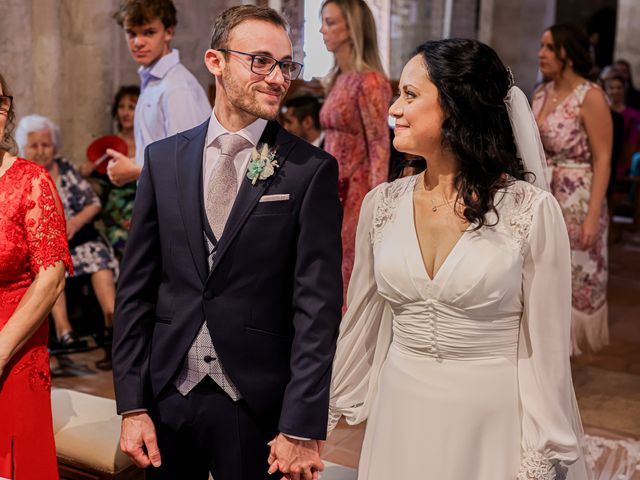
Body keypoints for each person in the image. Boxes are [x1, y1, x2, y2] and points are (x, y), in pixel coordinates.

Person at [328, 39, 590, 480]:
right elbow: (360, 324)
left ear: (456, 107)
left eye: (410, 95)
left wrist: (540, 453)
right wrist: (324, 411)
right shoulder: (382, 205)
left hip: (488, 420)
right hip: (399, 411)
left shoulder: (530, 212)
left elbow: (545, 352)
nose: (393, 109)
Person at [112, 6, 342, 480]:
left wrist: (299, 424)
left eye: (285, 64)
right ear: (215, 61)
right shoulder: (163, 160)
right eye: (261, 61)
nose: (278, 78)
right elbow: (136, 291)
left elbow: (317, 310)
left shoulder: (309, 171)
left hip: (255, 404)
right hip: (168, 394)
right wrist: (132, 406)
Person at [0, 74, 71, 479]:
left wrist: (0, 349)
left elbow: (51, 279)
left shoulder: (32, 182)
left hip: (16, 343)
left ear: (5, 111)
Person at [533, 24, 613, 356]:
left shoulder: (590, 95)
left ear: (568, 52)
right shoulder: (539, 94)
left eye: (549, 47)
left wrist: (593, 215)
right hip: (543, 192)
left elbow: (603, 157)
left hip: (578, 198)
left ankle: (566, 360)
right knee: (543, 273)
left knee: (575, 276)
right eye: (541, 46)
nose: (541, 54)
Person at [16, 115, 119, 359]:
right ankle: (64, 331)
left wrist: (74, 223)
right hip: (45, 245)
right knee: (51, 264)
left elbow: (93, 203)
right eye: (35, 145)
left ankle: (113, 322)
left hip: (78, 239)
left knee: (98, 254)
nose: (41, 151)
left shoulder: (65, 169)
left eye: (46, 145)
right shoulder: (22, 175)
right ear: (24, 147)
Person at [319, 0, 391, 301]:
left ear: (352, 28)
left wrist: (377, 204)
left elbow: (379, 145)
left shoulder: (371, 81)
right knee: (331, 266)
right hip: (333, 187)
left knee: (350, 267)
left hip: (357, 191)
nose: (322, 30)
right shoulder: (339, 78)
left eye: (330, 22)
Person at [107, 0, 211, 186]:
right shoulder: (154, 81)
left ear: (168, 32)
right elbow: (159, 151)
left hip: (176, 207)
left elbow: (189, 163)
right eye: (131, 33)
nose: (138, 42)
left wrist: (134, 171)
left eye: (149, 32)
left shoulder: (176, 87)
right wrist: (130, 164)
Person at [81, 85, 140, 261]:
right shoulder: (109, 145)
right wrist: (86, 173)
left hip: (141, 206)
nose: (125, 113)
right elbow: (102, 185)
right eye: (121, 107)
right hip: (116, 213)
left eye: (131, 107)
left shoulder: (148, 140)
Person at [603, 73, 640, 178]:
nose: (615, 91)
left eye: (619, 88)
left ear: (625, 89)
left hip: (625, 162)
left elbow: (633, 143)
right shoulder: (601, 113)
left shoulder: (634, 115)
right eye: (611, 88)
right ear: (606, 90)